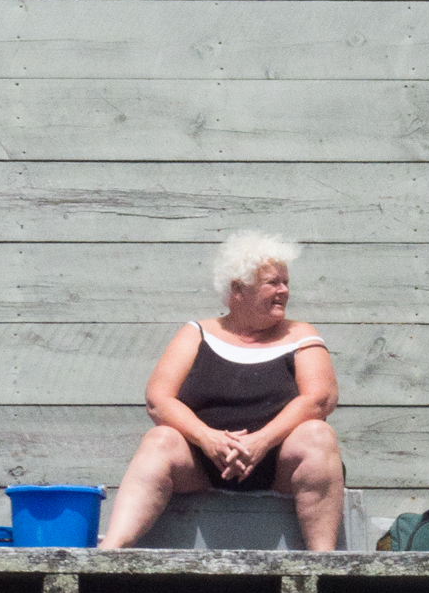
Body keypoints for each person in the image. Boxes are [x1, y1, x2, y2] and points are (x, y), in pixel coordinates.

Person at [100, 231, 345, 550]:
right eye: (273, 282)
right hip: (202, 464)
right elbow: (158, 400)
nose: (284, 290)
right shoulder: (196, 333)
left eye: (285, 282)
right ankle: (110, 551)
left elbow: (320, 398)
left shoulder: (301, 333)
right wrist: (208, 439)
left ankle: (323, 565)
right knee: (159, 439)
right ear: (238, 289)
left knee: (317, 435)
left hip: (278, 467)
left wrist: (260, 442)